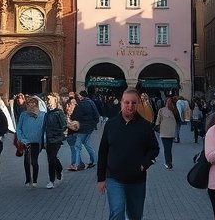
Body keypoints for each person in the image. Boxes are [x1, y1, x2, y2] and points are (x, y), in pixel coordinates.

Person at [97, 89, 160, 220]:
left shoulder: (145, 126)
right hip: (114, 177)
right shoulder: (111, 125)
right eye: (127, 102)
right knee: (117, 212)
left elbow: (154, 149)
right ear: (121, 103)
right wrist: (101, 178)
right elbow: (103, 152)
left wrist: (145, 163)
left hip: (136, 180)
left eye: (133, 103)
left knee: (135, 215)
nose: (130, 106)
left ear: (138, 104)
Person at [16, 96, 44, 187]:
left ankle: (35, 180)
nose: (31, 106)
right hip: (26, 141)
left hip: (36, 141)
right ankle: (28, 179)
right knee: (27, 160)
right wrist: (21, 139)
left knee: (34, 161)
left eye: (33, 103)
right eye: (29, 104)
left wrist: (44, 140)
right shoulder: (23, 115)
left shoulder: (42, 115)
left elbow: (44, 129)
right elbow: (19, 128)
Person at [42, 92, 67, 189]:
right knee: (50, 159)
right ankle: (51, 179)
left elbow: (64, 126)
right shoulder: (47, 113)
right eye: (47, 100)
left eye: (50, 100)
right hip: (48, 139)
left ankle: (57, 172)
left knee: (52, 158)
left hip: (56, 139)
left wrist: (57, 133)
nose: (48, 101)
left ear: (55, 101)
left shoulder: (58, 113)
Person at [71, 90, 100, 171]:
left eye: (79, 95)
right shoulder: (91, 103)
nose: (78, 97)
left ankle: (77, 164)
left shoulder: (80, 105)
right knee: (87, 144)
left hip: (82, 128)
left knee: (77, 146)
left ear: (82, 96)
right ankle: (94, 161)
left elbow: (74, 116)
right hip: (90, 128)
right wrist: (93, 124)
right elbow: (96, 115)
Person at [155, 97, 178, 169]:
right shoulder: (163, 110)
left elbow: (158, 121)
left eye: (169, 102)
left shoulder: (172, 110)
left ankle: (168, 162)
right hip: (167, 132)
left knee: (167, 148)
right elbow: (158, 120)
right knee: (168, 148)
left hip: (167, 132)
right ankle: (169, 162)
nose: (168, 103)